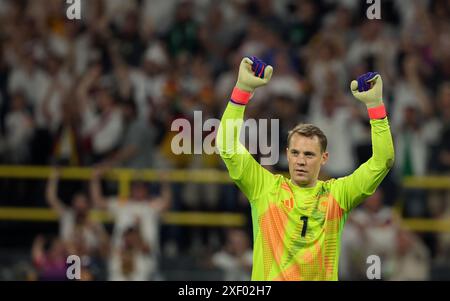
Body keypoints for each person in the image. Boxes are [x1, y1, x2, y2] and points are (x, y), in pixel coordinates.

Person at [216, 56, 395, 280]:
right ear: (287, 156)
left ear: (324, 158)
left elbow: (383, 160)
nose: (301, 160)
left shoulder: (337, 195)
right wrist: (242, 90)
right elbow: (226, 146)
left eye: (309, 154)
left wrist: (375, 107)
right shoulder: (265, 188)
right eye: (295, 153)